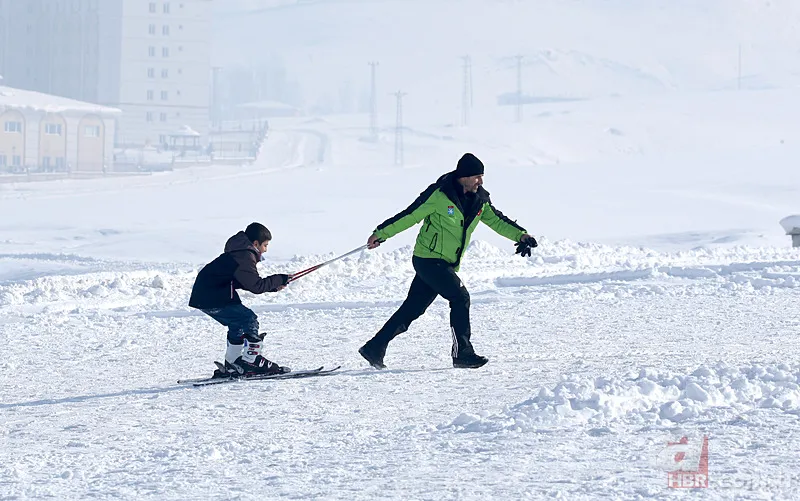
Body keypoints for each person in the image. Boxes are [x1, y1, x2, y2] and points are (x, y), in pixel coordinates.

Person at [358, 153, 538, 369]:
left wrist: (522, 236)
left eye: (482, 177)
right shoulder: (439, 194)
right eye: (476, 177)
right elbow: (410, 215)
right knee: (460, 297)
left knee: (412, 309)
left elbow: (498, 221)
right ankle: (462, 352)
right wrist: (382, 233)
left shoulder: (479, 200)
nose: (480, 181)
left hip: (446, 264)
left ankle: (374, 347)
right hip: (428, 259)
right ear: (463, 176)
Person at [189, 222, 291, 377]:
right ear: (256, 243)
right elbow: (256, 286)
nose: (266, 250)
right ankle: (251, 361)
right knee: (248, 319)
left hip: (211, 294)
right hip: (212, 295)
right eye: (265, 245)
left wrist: (273, 286)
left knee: (238, 323)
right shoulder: (244, 256)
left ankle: (233, 364)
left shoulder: (240, 252)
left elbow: (245, 281)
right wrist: (279, 279)